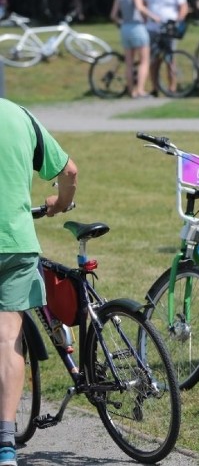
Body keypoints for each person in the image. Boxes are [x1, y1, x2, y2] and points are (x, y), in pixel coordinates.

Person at [1, 100, 78, 466]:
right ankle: (5, 445)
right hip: (17, 243)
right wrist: (61, 204)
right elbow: (70, 171)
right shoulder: (19, 116)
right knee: (8, 338)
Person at [109, 0, 160, 98]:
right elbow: (139, 7)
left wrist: (122, 22)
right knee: (144, 60)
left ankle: (131, 90)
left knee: (129, 62)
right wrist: (153, 16)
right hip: (137, 27)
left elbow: (113, 15)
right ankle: (140, 90)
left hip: (125, 28)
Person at [143, 0, 189, 95]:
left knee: (170, 58)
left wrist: (178, 21)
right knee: (154, 59)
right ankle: (155, 88)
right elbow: (144, 5)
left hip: (169, 29)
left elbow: (183, 7)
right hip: (152, 28)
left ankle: (172, 87)